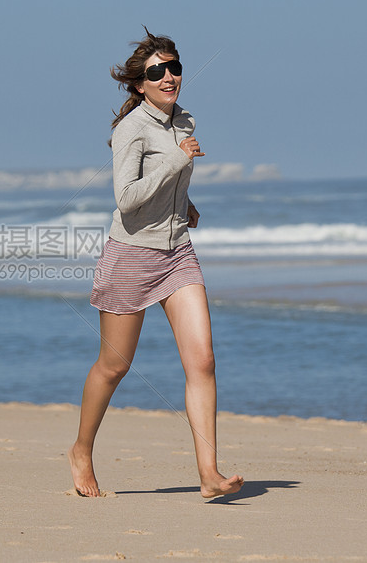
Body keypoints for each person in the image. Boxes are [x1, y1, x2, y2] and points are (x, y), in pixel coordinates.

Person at [68, 29, 244, 498]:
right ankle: (81, 449)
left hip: (177, 253)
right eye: (156, 72)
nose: (169, 77)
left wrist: (184, 204)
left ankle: (209, 473)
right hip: (131, 256)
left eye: (174, 67)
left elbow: (167, 180)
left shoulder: (183, 121)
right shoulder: (130, 130)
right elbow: (126, 200)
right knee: (114, 366)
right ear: (139, 85)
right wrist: (174, 166)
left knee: (202, 361)